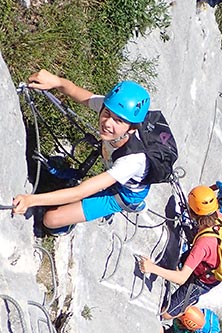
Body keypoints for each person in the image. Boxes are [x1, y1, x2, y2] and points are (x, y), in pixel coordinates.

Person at [12, 69, 151, 233]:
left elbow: (80, 191)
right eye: (107, 114)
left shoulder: (132, 160)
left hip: (125, 194)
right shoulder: (110, 109)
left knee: (51, 221)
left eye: (118, 121)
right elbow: (76, 92)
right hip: (116, 170)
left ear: (132, 129)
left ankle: (132, 206)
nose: (107, 123)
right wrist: (57, 81)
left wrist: (30, 200)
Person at [138, 186, 222, 333]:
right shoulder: (221, 219)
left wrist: (152, 268)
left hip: (200, 282)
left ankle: (187, 302)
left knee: (166, 314)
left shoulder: (203, 244)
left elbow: (182, 278)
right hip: (208, 270)